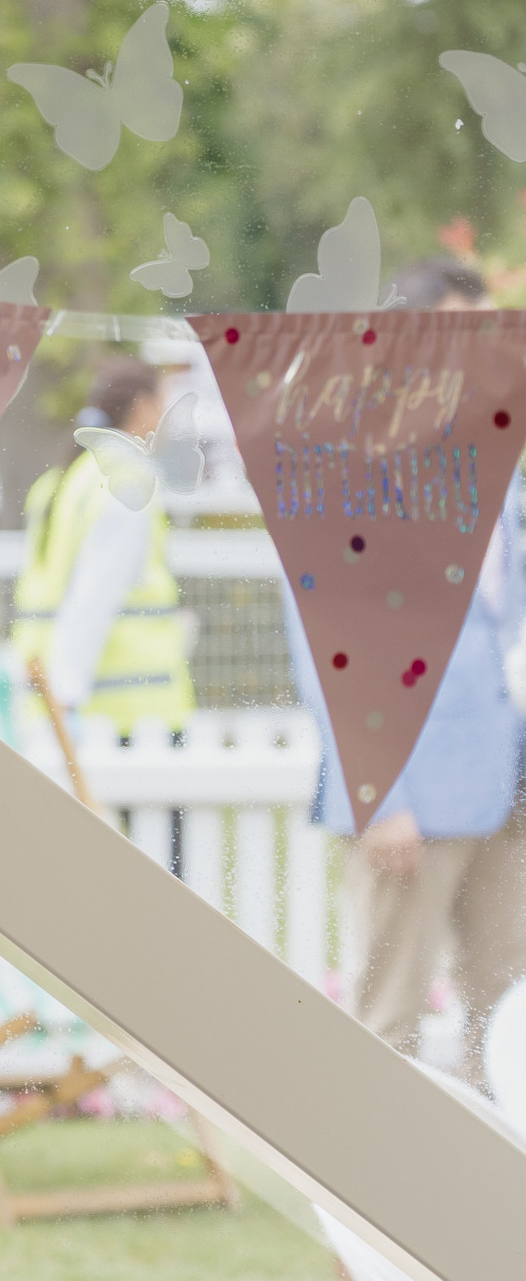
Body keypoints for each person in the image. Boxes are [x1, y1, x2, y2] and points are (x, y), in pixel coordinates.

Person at [283, 257, 526, 1087]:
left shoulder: (496, 460)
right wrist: (377, 790)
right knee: (387, 1024)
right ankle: (367, 1211)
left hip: (507, 784)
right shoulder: (352, 466)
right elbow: (327, 639)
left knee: (508, 1024)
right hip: (410, 791)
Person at [11, 358, 197, 741]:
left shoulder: (63, 479)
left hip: (63, 701)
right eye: (162, 403)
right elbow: (96, 594)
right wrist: (67, 695)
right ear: (142, 406)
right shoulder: (126, 485)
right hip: (127, 719)